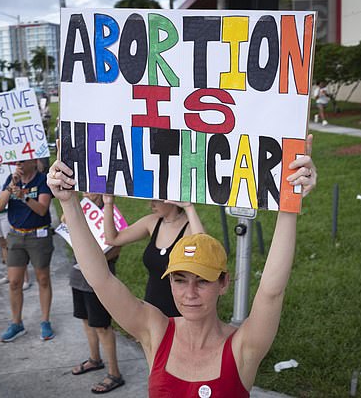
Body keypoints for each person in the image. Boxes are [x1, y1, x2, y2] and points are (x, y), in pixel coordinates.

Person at [47, 134, 317, 397]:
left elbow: (271, 291)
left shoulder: (242, 347)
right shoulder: (155, 330)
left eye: (202, 280)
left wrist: (290, 203)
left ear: (223, 283)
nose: (189, 294)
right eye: (179, 280)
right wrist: (68, 203)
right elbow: (100, 280)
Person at [102, 196, 205, 317]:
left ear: (171, 200)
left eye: (156, 200)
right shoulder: (152, 222)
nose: (151, 205)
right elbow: (112, 239)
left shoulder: (190, 228)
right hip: (152, 307)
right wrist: (108, 204)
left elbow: (203, 249)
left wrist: (189, 207)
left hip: (180, 310)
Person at [69, 193, 125, 394]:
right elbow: (64, 222)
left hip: (98, 277)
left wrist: (94, 257)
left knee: (101, 325)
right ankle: (94, 359)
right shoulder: (81, 208)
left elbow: (116, 247)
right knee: (85, 319)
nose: (85, 194)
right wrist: (80, 205)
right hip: (78, 272)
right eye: (83, 190)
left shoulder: (110, 213)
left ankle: (114, 373)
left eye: (89, 190)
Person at [0, 158, 55, 342]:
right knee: (14, 282)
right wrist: (11, 186)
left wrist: (23, 196)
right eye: (16, 162)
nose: (18, 165)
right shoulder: (12, 179)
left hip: (38, 235)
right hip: (16, 236)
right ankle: (16, 323)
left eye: (22, 161)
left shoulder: (43, 180)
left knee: (42, 279)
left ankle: (45, 321)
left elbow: (42, 209)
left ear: (33, 161)